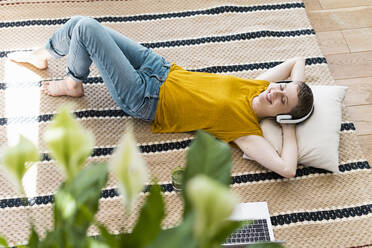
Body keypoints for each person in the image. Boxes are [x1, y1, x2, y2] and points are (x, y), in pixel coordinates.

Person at [7, 16, 313, 178]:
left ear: (281, 114)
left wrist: (290, 125)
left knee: (86, 28)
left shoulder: (246, 130)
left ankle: (73, 82)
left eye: (281, 100)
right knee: (79, 23)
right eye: (281, 87)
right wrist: (293, 94)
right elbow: (297, 61)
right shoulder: (258, 86)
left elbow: (287, 168)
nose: (275, 91)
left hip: (144, 97)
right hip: (158, 67)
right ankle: (44, 53)